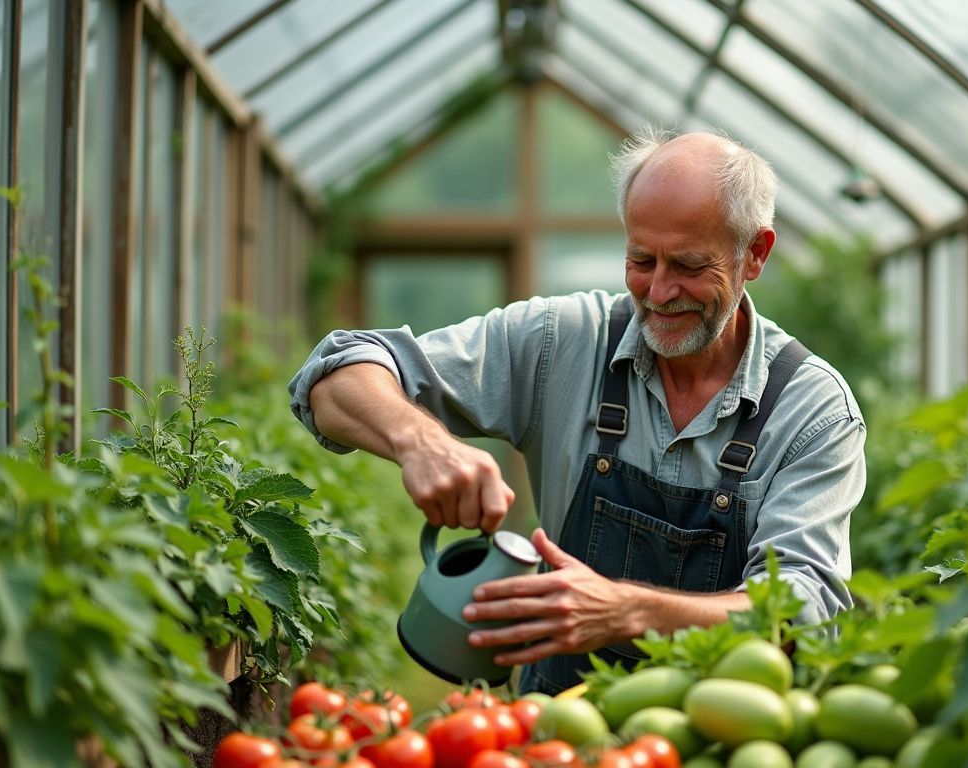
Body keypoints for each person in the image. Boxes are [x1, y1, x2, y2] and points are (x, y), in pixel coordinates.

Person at [288, 128, 867, 694]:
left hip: (718, 742)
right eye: (642, 259)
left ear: (754, 255)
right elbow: (338, 372)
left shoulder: (811, 410)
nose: (660, 292)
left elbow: (804, 608)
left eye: (689, 266)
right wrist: (421, 441)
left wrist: (627, 611)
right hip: (551, 739)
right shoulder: (561, 342)